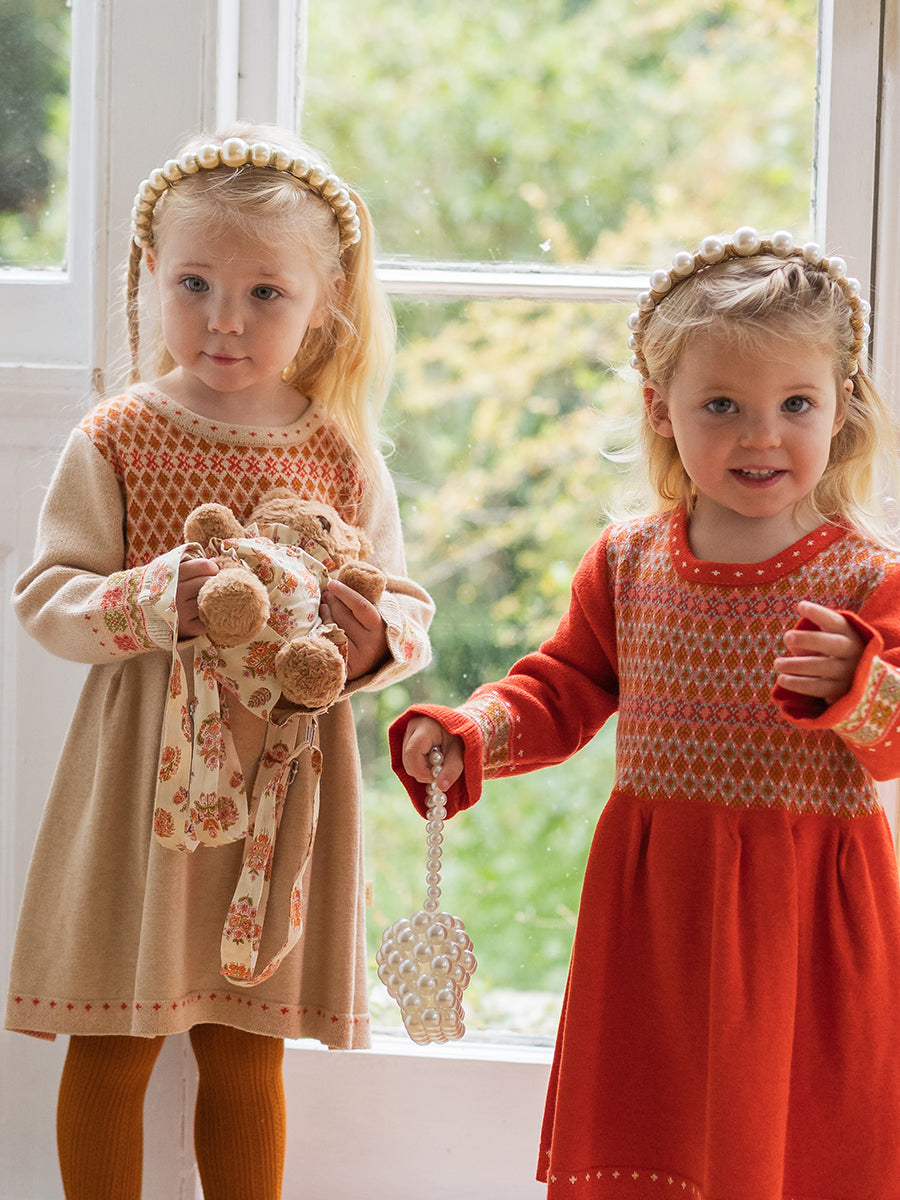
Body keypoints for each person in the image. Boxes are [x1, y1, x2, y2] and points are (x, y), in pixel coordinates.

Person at [391, 228, 900, 1199]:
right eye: (723, 405)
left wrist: (860, 685)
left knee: (786, 1147)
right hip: (658, 914)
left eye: (796, 404)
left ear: (843, 407)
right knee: (652, 1141)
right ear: (660, 409)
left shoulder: (866, 580)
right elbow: (562, 687)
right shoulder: (630, 562)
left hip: (802, 925)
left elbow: (894, 744)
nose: (762, 435)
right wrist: (470, 733)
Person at [6, 122, 433, 1199]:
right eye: (194, 284)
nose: (224, 319)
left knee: (248, 1049)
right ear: (153, 273)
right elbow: (48, 597)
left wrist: (375, 641)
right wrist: (160, 599)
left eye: (265, 293)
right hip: (139, 789)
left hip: (281, 787)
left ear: (327, 300)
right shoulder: (116, 437)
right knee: (113, 1043)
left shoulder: (339, 450)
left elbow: (401, 598)